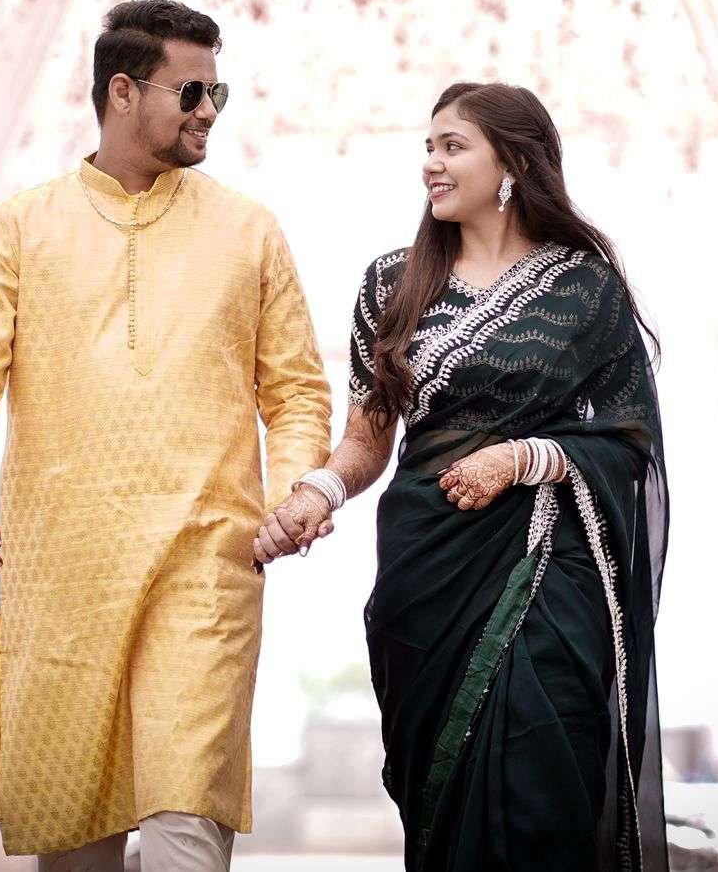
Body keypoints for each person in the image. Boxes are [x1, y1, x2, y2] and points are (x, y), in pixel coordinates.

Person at [0, 0, 334, 871]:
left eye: (219, 93)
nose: (209, 111)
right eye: (192, 93)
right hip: (65, 575)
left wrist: (298, 490)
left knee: (187, 825)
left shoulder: (248, 231)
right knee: (77, 842)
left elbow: (296, 388)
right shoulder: (19, 228)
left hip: (207, 565)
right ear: (123, 91)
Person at [254, 82, 670, 870]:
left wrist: (522, 459)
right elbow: (368, 437)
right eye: (428, 147)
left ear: (515, 162)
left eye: (453, 146)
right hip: (427, 575)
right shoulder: (391, 282)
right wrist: (317, 492)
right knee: (442, 801)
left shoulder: (585, 287)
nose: (431, 164)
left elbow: (629, 440)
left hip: (547, 569)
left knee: (542, 784)